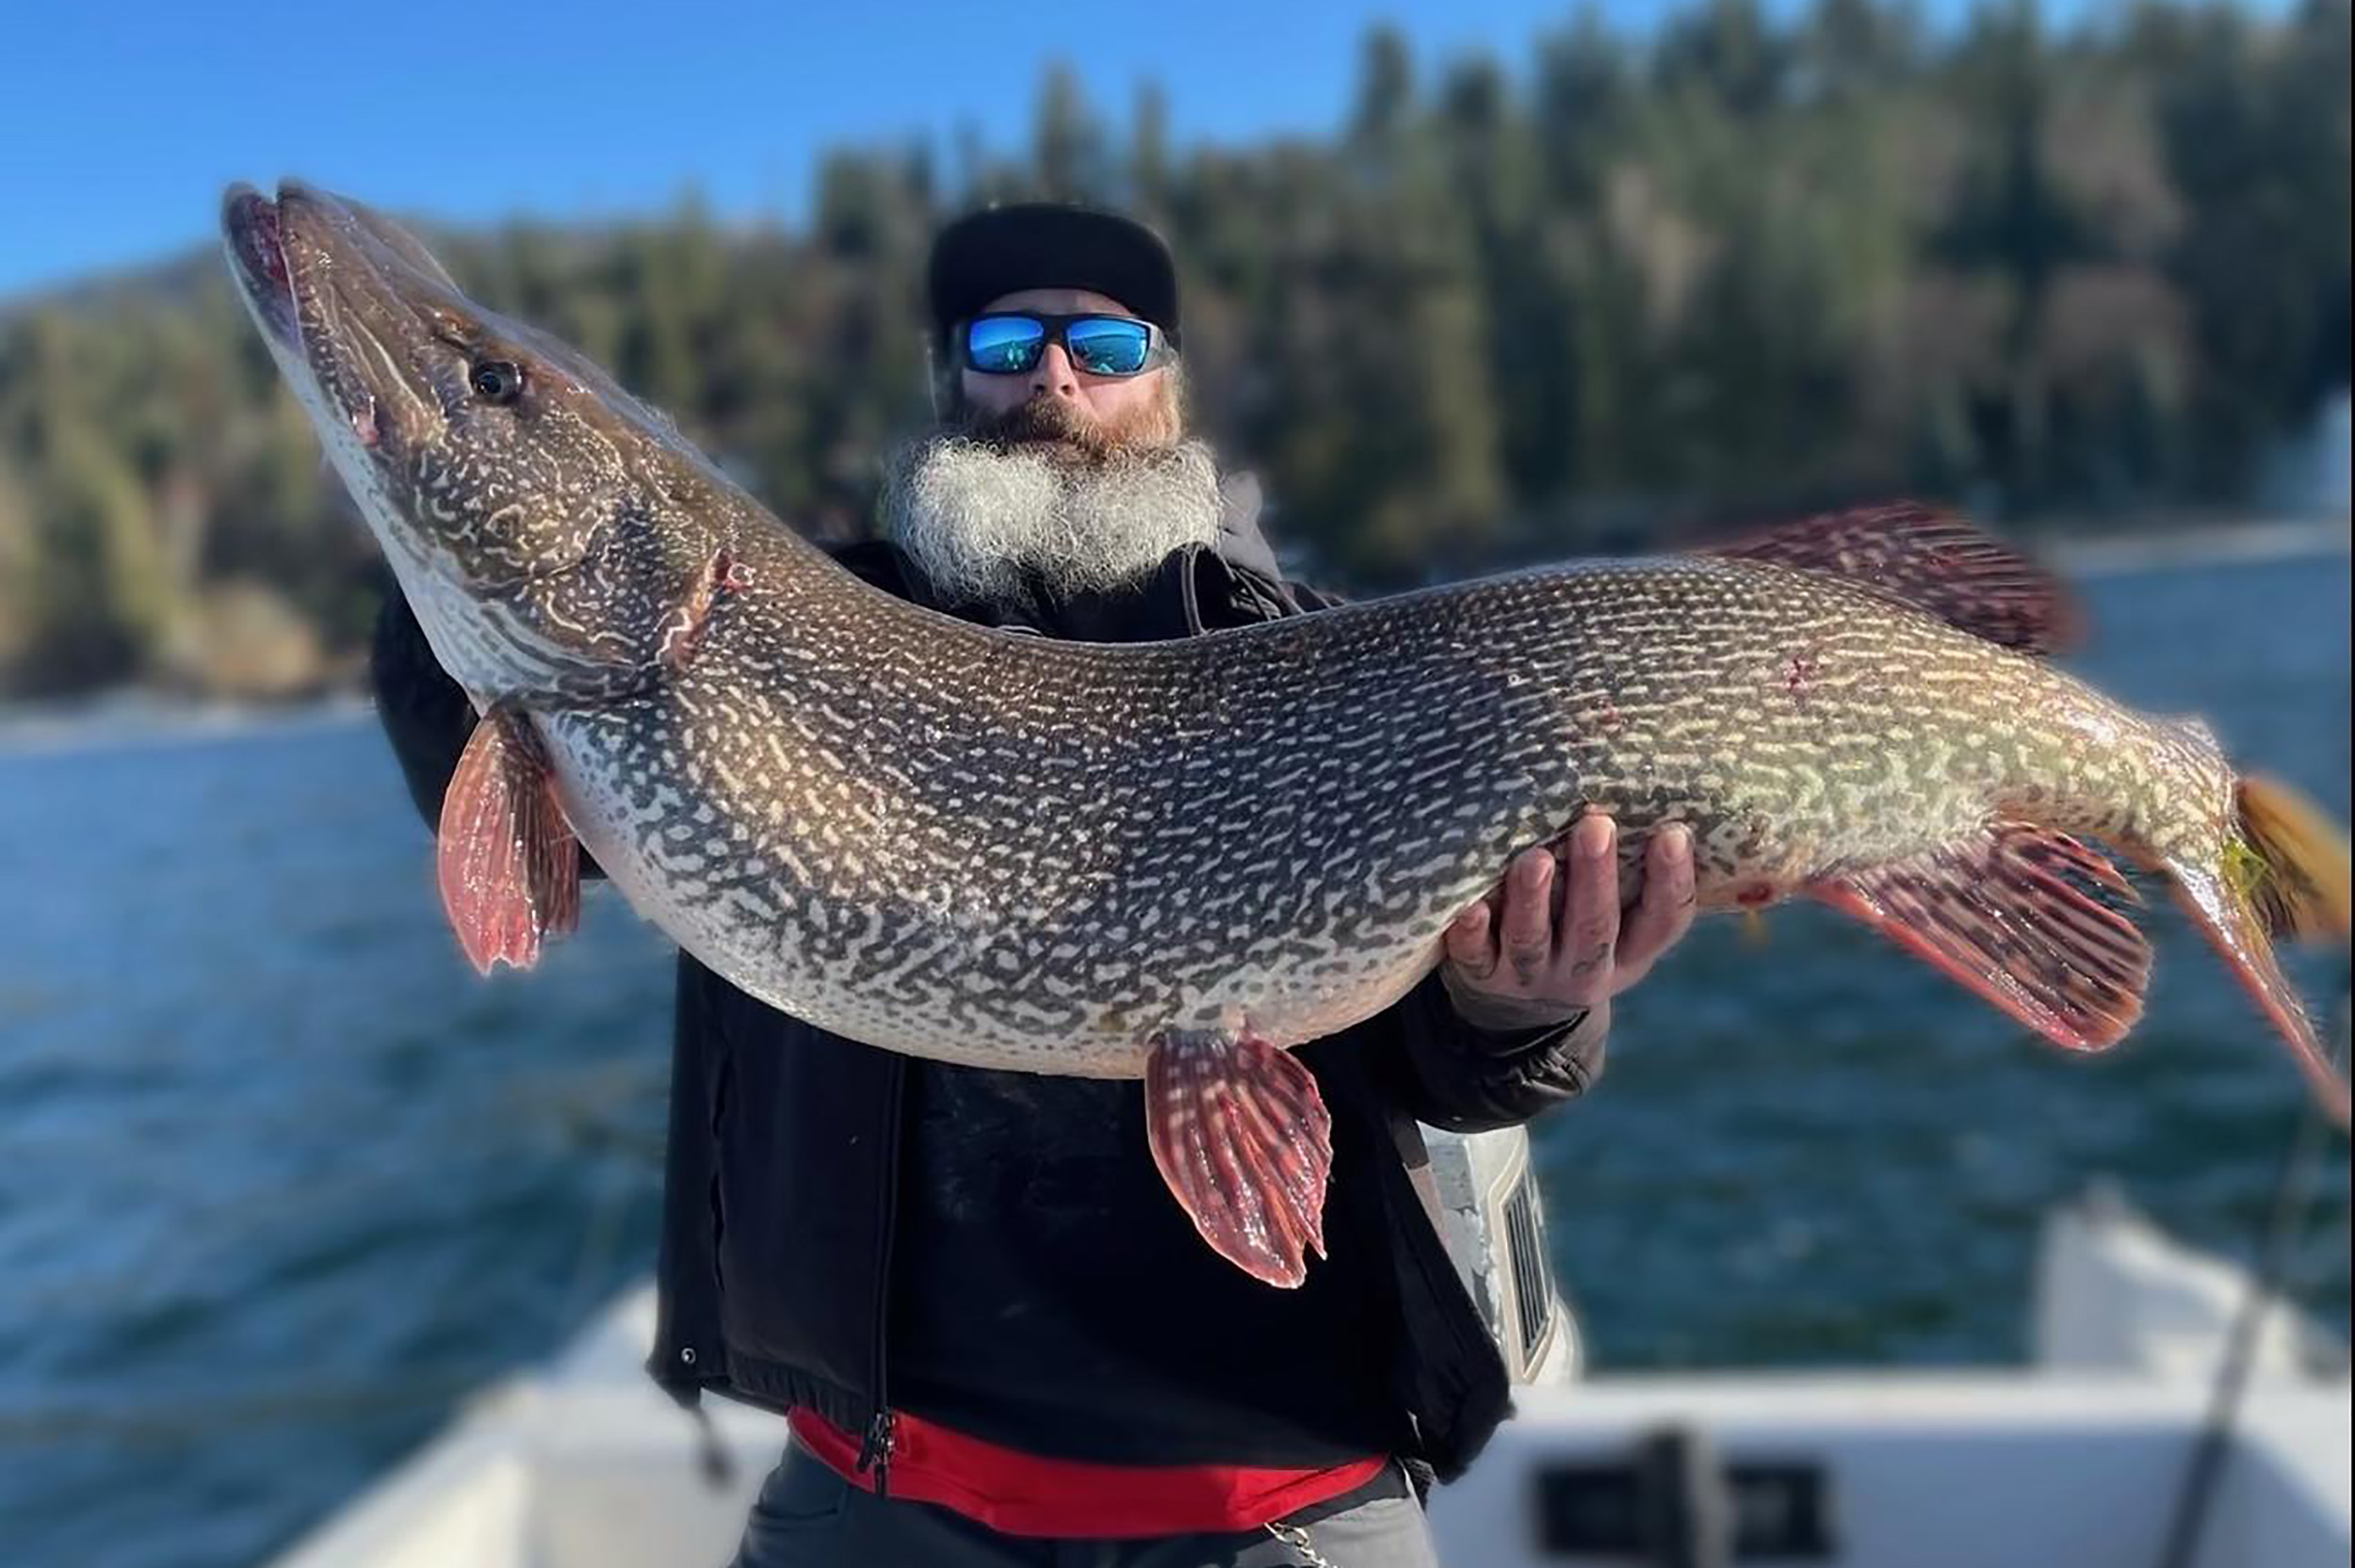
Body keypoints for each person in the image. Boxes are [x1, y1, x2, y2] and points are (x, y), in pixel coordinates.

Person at [369, 202, 1697, 1567]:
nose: (1054, 378)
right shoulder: (786, 627)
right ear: (952, 380)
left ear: (1164, 382)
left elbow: (1457, 1069)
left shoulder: (1325, 661)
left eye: (1102, 342)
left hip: (1280, 1510)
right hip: (878, 1500)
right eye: (1008, 341)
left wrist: (1527, 1001)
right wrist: (432, 541)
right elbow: (522, 815)